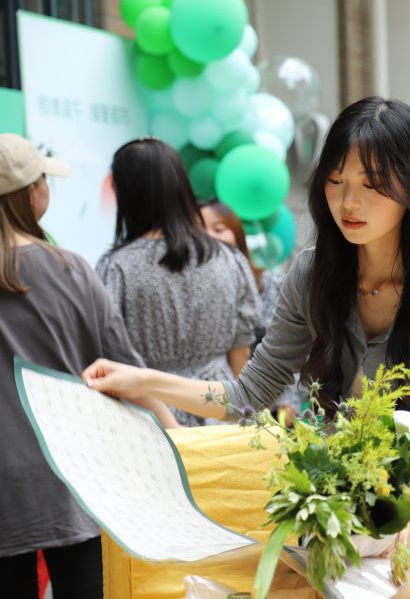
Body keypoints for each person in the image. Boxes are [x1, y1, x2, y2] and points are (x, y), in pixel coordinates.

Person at [82, 97, 410, 572]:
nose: (348, 202)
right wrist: (140, 380)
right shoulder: (311, 274)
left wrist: (408, 505)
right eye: (336, 181)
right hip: (354, 501)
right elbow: (247, 394)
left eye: (371, 184)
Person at [0, 133, 174, 598]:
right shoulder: (69, 269)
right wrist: (178, 436)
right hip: (72, 475)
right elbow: (125, 373)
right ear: (32, 194)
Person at [96, 139, 259, 428]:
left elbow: (110, 356)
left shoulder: (116, 268)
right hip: (218, 408)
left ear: (127, 193)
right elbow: (242, 351)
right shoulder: (229, 258)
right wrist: (241, 417)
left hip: (149, 416)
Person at [200, 198, 300, 421]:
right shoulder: (200, 287)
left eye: (218, 229)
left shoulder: (278, 286)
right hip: (220, 398)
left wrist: (288, 402)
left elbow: (293, 350)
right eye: (198, 229)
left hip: (270, 400)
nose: (208, 236)